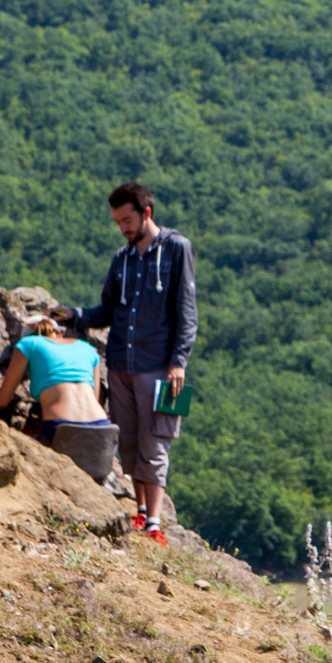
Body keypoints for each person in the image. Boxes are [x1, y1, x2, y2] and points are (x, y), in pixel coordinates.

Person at [73, 182, 196, 545]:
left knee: (155, 440)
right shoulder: (122, 259)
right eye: (117, 222)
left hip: (159, 365)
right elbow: (107, 310)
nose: (123, 228)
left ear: (147, 213)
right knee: (128, 442)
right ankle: (141, 513)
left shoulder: (176, 249)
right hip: (122, 362)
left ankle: (156, 523)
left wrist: (179, 361)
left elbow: (186, 312)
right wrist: (73, 316)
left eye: (127, 220)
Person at [0, 312, 117, 485]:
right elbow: (95, 400)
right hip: (102, 435)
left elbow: (2, 400)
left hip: (62, 433)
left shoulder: (28, 345)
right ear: (59, 333)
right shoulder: (87, 348)